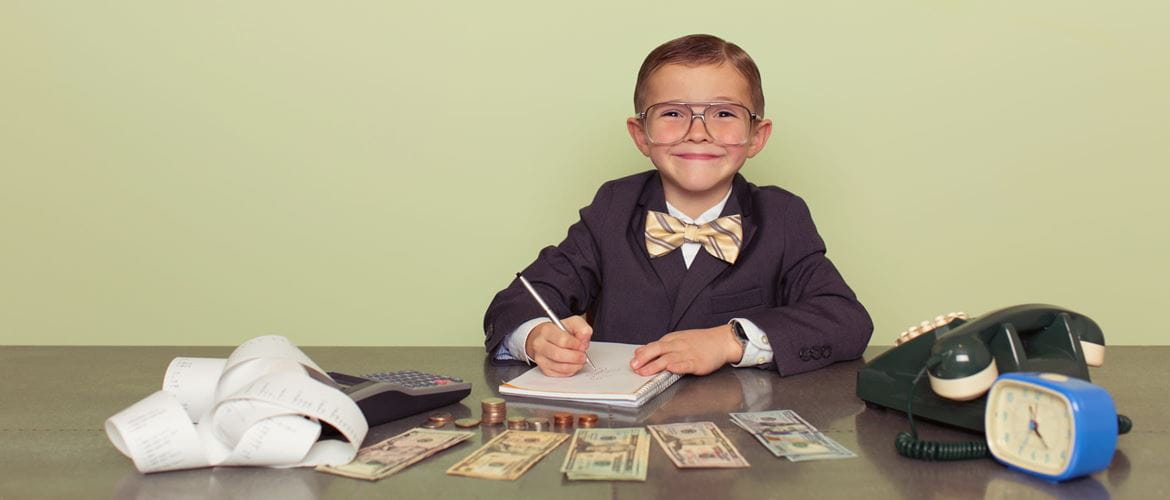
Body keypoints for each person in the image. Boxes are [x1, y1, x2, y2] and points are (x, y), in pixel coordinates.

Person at [483, 34, 873, 378]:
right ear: (641, 135)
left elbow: (846, 320)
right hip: (623, 432)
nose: (698, 133)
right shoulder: (612, 208)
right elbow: (516, 301)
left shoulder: (782, 216)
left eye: (723, 113)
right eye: (672, 113)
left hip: (741, 439)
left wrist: (729, 340)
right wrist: (536, 337)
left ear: (757, 136)